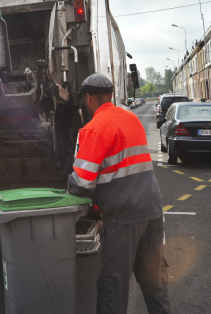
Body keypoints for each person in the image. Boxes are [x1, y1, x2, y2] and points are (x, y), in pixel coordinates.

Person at [67, 74, 171, 314]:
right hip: (152, 211)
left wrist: (68, 182)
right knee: (156, 285)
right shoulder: (131, 118)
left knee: (113, 288)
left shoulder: (94, 128)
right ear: (111, 95)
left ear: (89, 98)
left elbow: (81, 182)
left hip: (124, 217)